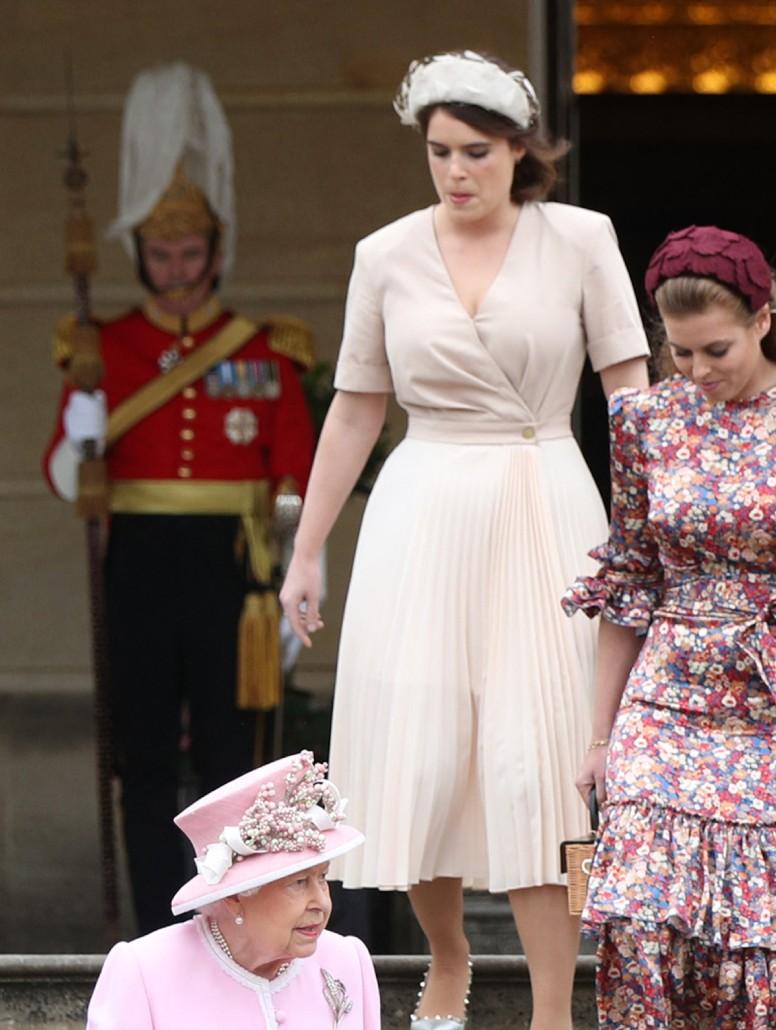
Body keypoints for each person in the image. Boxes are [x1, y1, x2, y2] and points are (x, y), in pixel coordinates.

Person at [277, 50, 650, 1030]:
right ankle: (448, 955)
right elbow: (357, 409)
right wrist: (308, 547)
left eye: (475, 151)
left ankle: (557, 1005)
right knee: (423, 747)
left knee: (544, 755)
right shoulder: (386, 253)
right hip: (424, 501)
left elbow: (630, 393)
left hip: (544, 492)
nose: (455, 169)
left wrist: (655, 532)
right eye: (439, 150)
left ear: (521, 150)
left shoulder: (579, 238)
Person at [562, 225, 776, 1028]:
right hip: (669, 690)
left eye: (714, 349)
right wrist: (599, 736)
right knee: (645, 921)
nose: (697, 372)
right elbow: (630, 581)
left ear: (764, 318)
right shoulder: (643, 420)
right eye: (680, 353)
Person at [42, 62, 316, 936]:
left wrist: (285, 582)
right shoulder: (102, 346)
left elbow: (294, 479)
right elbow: (63, 476)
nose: (176, 269)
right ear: (138, 255)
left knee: (239, 756)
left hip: (234, 567)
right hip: (142, 562)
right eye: (161, 254)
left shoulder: (266, 350)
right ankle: (162, 925)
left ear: (215, 250)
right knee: (146, 753)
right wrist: (84, 432)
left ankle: (241, 915)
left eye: (191, 253)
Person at [87, 750, 380, 1028]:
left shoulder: (346, 960)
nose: (321, 902)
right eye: (299, 883)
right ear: (235, 897)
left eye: (322, 877)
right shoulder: (144, 972)